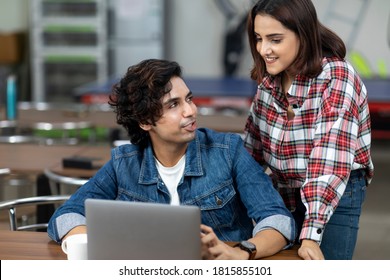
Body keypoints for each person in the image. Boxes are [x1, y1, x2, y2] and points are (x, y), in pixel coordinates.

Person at [47, 59, 296, 260]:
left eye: (188, 99)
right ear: (145, 122)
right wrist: (101, 243)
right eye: (174, 105)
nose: (190, 111)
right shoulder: (124, 163)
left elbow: (279, 220)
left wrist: (241, 252)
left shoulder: (228, 151)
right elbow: (65, 217)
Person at [243, 0, 374, 260]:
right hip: (284, 191)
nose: (263, 49)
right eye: (259, 39)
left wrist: (311, 235)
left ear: (303, 35)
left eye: (275, 39)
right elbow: (250, 153)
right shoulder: (269, 83)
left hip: (335, 191)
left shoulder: (336, 76)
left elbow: (329, 162)